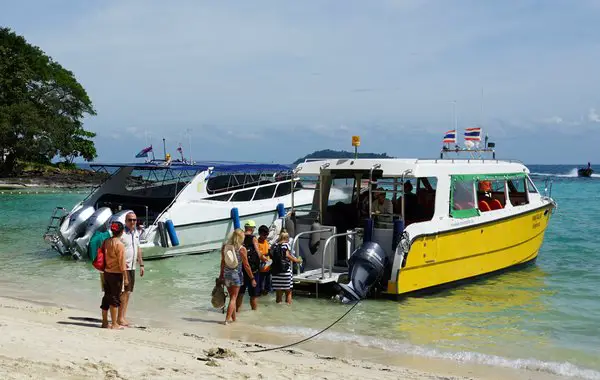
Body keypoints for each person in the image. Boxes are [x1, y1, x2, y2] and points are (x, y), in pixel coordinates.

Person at [219, 229, 255, 324]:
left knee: (232, 297)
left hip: (226, 275)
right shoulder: (241, 249)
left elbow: (222, 262)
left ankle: (234, 319)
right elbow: (246, 265)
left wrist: (221, 275)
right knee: (234, 298)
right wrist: (252, 278)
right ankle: (227, 320)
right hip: (236, 276)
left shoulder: (225, 247)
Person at [118, 211, 144, 327]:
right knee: (123, 293)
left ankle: (123, 316)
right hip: (124, 267)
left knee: (128, 292)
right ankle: (120, 318)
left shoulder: (136, 232)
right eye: (130, 220)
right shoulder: (122, 233)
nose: (132, 222)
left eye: (134, 220)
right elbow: (117, 249)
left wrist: (141, 264)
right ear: (125, 221)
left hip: (132, 267)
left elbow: (138, 249)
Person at [101, 222, 128, 330]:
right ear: (121, 232)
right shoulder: (119, 245)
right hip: (115, 274)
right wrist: (126, 278)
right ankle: (114, 324)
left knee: (107, 296)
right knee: (115, 298)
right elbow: (122, 264)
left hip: (106, 272)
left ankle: (104, 322)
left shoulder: (107, 241)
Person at [237, 220, 265, 311]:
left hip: (241, 269)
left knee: (240, 293)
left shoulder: (240, 237)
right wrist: (264, 258)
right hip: (253, 270)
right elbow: (257, 252)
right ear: (252, 228)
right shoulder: (253, 238)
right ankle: (254, 313)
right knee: (253, 295)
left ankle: (237, 311)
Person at [270, 231, 302, 304]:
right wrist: (297, 260)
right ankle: (288, 309)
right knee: (288, 291)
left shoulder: (274, 245)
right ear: (286, 238)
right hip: (285, 271)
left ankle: (278, 310)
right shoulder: (286, 245)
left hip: (275, 272)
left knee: (278, 293)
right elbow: (287, 255)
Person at [257, 225, 272, 295]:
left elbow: (269, 252)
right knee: (261, 286)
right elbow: (259, 255)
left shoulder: (266, 241)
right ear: (259, 234)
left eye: (267, 234)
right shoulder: (257, 243)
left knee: (268, 286)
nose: (266, 236)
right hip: (261, 268)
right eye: (264, 235)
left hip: (268, 267)